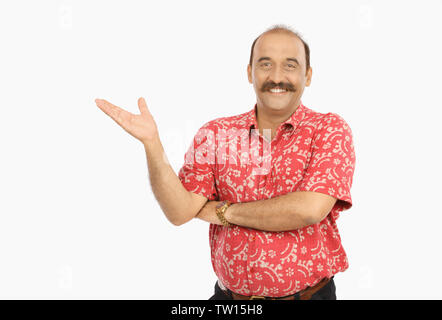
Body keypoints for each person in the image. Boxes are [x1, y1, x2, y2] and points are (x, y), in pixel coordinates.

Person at [95, 24, 356, 300]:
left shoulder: (329, 129)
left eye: (290, 66)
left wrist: (224, 212)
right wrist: (152, 144)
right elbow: (180, 211)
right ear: (249, 72)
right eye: (265, 64)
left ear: (308, 75)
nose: (277, 77)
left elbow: (309, 209)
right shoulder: (216, 134)